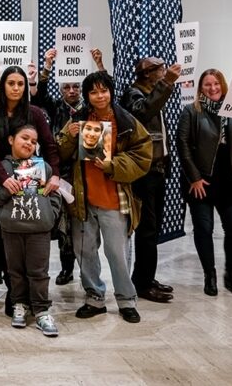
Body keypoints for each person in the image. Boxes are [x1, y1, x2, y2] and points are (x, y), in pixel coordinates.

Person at [58, 70, 152, 324]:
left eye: (103, 90)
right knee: (85, 251)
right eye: (93, 92)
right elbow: (60, 152)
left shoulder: (126, 121)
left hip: (114, 199)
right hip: (83, 200)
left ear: (110, 92)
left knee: (117, 253)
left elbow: (143, 155)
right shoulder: (77, 119)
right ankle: (94, 297)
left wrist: (112, 165)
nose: (99, 96)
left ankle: (125, 299)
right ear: (87, 96)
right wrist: (70, 135)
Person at [0, 65, 61, 317]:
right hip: (2, 186)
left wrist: (56, 174)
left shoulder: (34, 112)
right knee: (5, 248)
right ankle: (16, 298)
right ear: (3, 85)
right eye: (11, 83)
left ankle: (35, 302)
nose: (16, 88)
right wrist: (3, 179)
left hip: (32, 188)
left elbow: (48, 144)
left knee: (34, 253)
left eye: (20, 84)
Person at [177, 68, 232, 298]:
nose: (213, 88)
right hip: (202, 181)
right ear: (200, 88)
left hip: (231, 178)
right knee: (204, 229)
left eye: (216, 84)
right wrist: (194, 177)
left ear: (223, 86)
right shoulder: (191, 111)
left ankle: (230, 275)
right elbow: (182, 145)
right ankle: (209, 275)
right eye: (207, 85)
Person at [31, 47, 105, 286]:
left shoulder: (89, 109)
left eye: (75, 86)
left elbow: (108, 90)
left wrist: (99, 64)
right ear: (61, 89)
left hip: (87, 171)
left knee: (83, 225)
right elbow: (39, 95)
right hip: (61, 173)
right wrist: (47, 66)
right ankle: (66, 268)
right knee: (64, 225)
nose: (72, 91)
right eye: (66, 87)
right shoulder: (56, 108)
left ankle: (90, 273)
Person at [0, 124, 62, 336]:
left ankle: (41, 310)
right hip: (11, 228)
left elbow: (55, 195)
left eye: (34, 141)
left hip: (39, 228)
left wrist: (50, 214)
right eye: (24, 138)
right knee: (15, 271)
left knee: (38, 272)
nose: (29, 143)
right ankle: (20, 304)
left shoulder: (44, 167)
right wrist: (7, 189)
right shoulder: (1, 168)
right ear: (11, 140)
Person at [119, 57, 181, 303]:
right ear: (148, 74)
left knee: (152, 230)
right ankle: (142, 284)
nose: (165, 72)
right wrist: (166, 84)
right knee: (146, 229)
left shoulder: (152, 92)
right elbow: (142, 113)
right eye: (161, 70)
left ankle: (145, 276)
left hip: (158, 168)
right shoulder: (133, 94)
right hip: (144, 172)